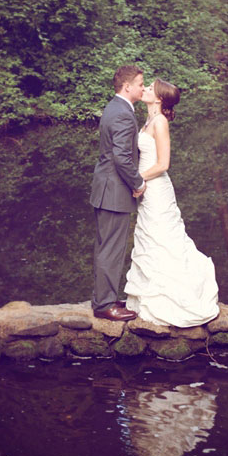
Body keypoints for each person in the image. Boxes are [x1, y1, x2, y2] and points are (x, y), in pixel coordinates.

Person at [124, 78, 219, 327]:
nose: (143, 89)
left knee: (162, 238)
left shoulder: (160, 122)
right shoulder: (149, 121)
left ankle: (174, 300)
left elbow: (163, 164)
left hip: (156, 190)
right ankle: (150, 297)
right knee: (150, 238)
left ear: (158, 98)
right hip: (147, 189)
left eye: (148, 88)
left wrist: (136, 179)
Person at [90, 65, 147, 321]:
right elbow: (122, 158)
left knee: (106, 247)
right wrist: (138, 183)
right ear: (127, 87)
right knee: (111, 250)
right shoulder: (123, 114)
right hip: (114, 192)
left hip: (106, 189)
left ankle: (105, 298)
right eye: (140, 84)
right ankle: (104, 306)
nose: (142, 88)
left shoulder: (114, 107)